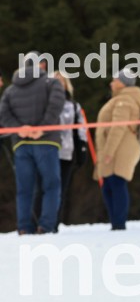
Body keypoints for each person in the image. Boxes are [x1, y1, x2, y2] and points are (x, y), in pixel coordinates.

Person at [0, 52, 65, 234]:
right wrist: (42, 128)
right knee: (51, 186)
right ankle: (45, 226)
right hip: (47, 142)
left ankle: (23, 227)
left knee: (24, 189)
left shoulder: (11, 90)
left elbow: (3, 114)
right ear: (42, 65)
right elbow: (56, 105)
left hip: (21, 144)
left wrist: (19, 129)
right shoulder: (51, 83)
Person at [94, 68, 140, 230]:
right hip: (120, 147)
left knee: (116, 184)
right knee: (109, 185)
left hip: (120, 149)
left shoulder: (124, 101)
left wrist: (109, 152)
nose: (111, 83)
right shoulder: (123, 99)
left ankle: (118, 223)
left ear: (122, 83)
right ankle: (116, 222)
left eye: (115, 80)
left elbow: (118, 128)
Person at [34, 71, 88, 224]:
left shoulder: (73, 106)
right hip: (44, 151)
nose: (58, 84)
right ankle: (39, 222)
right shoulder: (41, 102)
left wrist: (82, 149)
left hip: (66, 152)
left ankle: (54, 222)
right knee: (42, 189)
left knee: (60, 190)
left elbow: (80, 129)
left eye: (61, 81)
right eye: (55, 80)